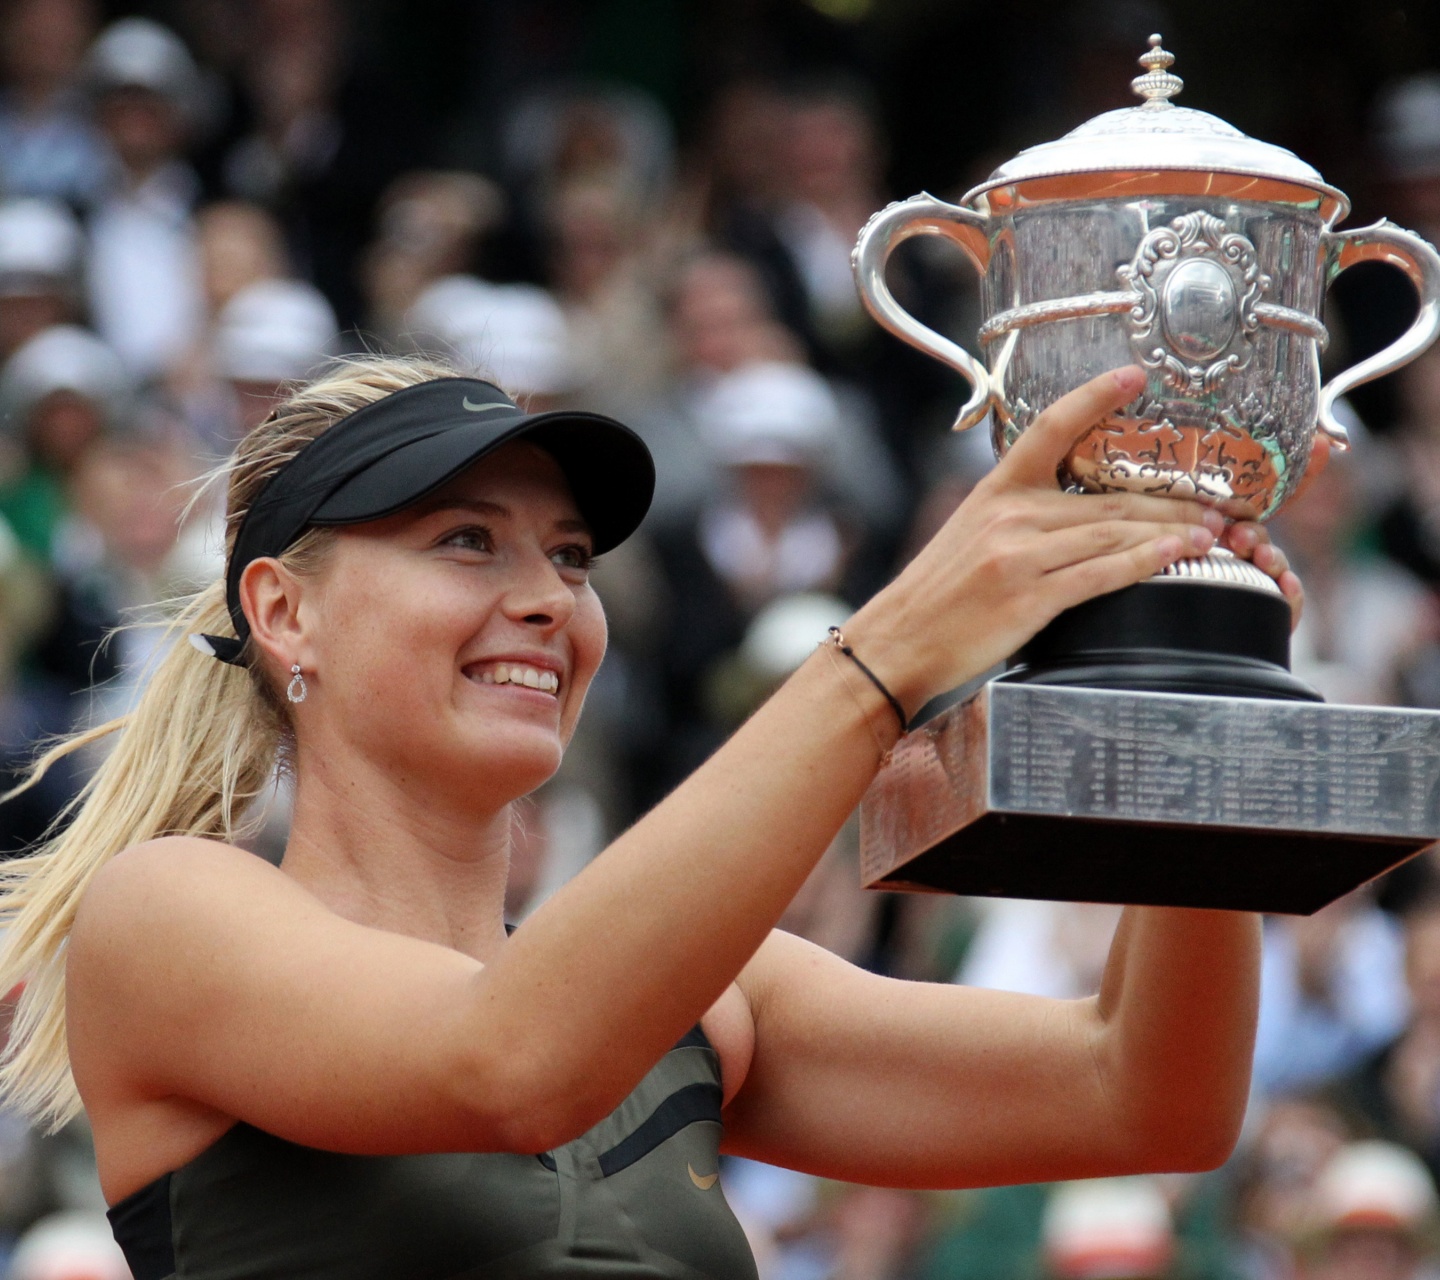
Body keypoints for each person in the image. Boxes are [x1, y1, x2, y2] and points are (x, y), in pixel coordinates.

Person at [0, 355, 1299, 1277]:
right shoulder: (167, 912)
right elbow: (506, 1063)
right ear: (286, 612)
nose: (547, 600)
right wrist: (893, 648)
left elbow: (1151, 1095)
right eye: (468, 541)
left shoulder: (707, 998)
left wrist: (1189, 703)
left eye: (570, 557)